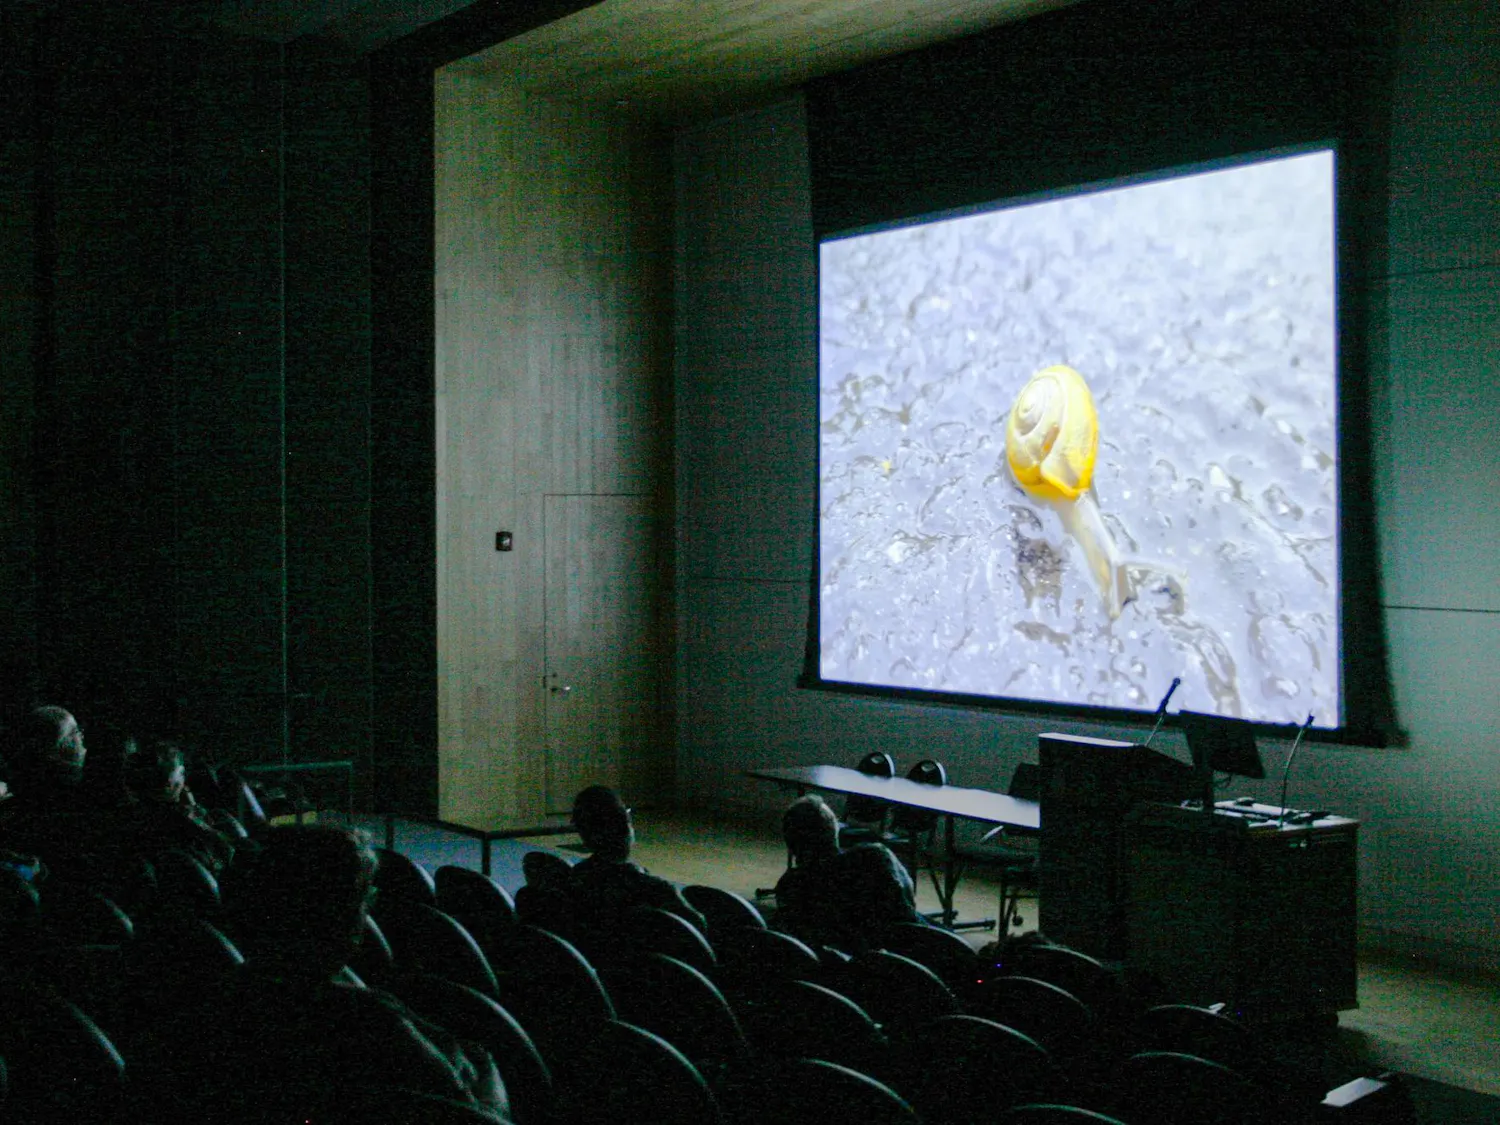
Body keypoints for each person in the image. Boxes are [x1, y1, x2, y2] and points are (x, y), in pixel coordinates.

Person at [135, 825, 507, 1121]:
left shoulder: (205, 1006)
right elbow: (475, 1113)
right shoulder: (372, 1023)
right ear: (344, 916)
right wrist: (487, 1069)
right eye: (365, 901)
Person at [523, 786, 704, 939]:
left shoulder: (568, 884)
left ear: (582, 833)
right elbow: (697, 929)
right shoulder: (656, 890)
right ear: (626, 825)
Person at [772, 793, 927, 951]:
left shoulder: (788, 886)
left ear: (791, 845)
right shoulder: (874, 859)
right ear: (833, 830)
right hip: (902, 951)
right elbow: (908, 910)